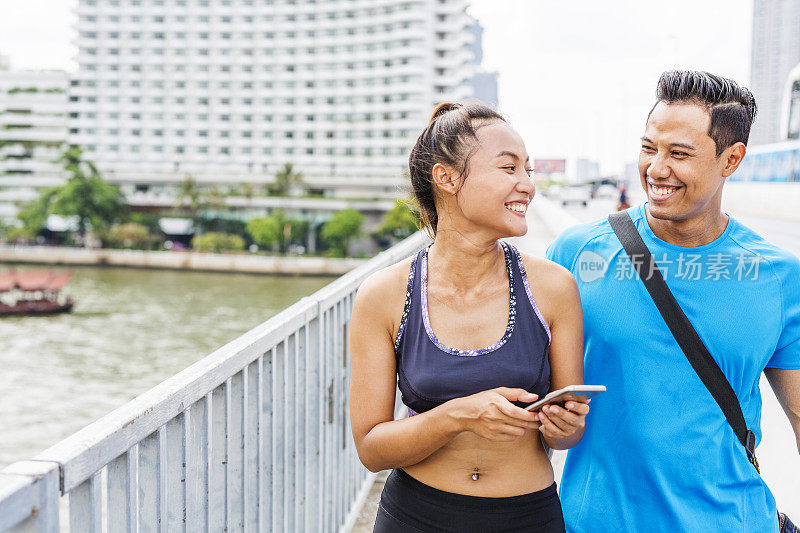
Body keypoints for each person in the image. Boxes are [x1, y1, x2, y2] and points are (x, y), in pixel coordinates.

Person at [547, 70, 800, 531]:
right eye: (649, 148)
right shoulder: (575, 254)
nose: (656, 169)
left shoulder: (780, 277)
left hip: (733, 521)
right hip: (596, 522)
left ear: (732, 159)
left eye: (679, 154)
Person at [349, 101, 590, 532]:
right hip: (415, 517)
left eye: (527, 171)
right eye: (508, 168)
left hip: (527, 518)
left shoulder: (554, 288)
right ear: (446, 178)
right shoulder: (382, 296)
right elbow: (371, 448)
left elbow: (566, 437)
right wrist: (459, 415)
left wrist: (564, 425)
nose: (527, 186)